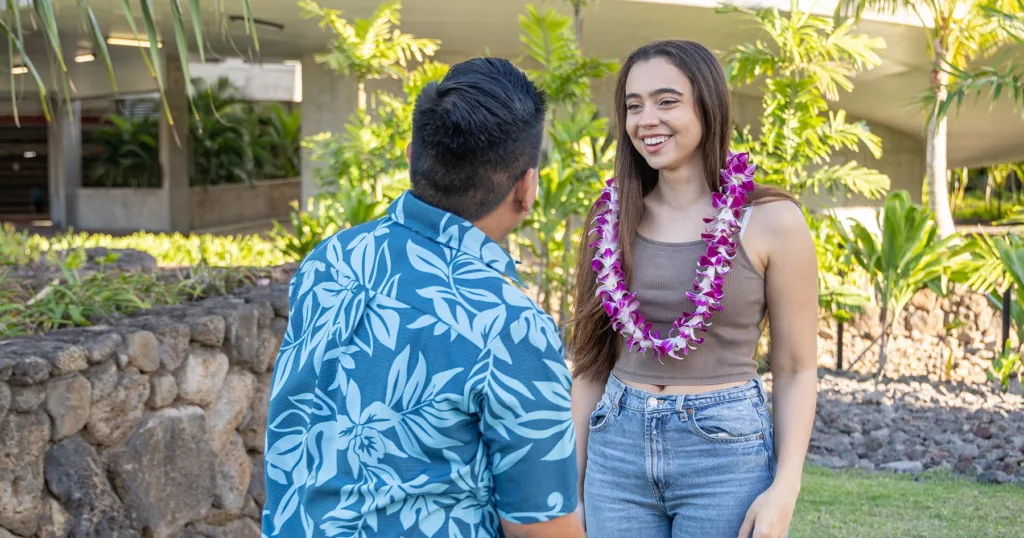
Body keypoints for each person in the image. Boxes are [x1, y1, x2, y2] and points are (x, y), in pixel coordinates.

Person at [262, 57, 584, 538]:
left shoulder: (331, 260)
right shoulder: (509, 325)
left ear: (412, 156)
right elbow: (543, 527)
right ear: (527, 187)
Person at [568, 40, 818, 538]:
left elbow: (795, 367)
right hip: (616, 449)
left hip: (724, 454)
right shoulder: (611, 218)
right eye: (633, 106)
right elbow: (592, 364)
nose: (646, 120)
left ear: (708, 105)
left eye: (666, 101)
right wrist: (568, 491)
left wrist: (784, 490)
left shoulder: (772, 221)